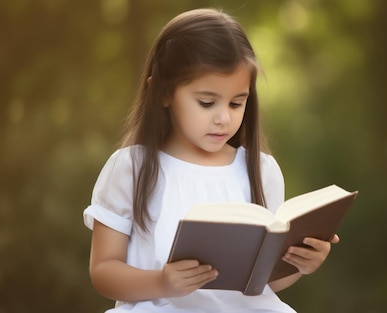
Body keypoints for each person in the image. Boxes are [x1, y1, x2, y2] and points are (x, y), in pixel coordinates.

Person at [83, 8, 339, 313]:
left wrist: (301, 264)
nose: (223, 118)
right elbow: (103, 271)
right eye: (206, 102)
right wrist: (163, 283)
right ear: (163, 93)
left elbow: (264, 283)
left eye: (236, 103)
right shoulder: (132, 168)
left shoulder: (260, 170)